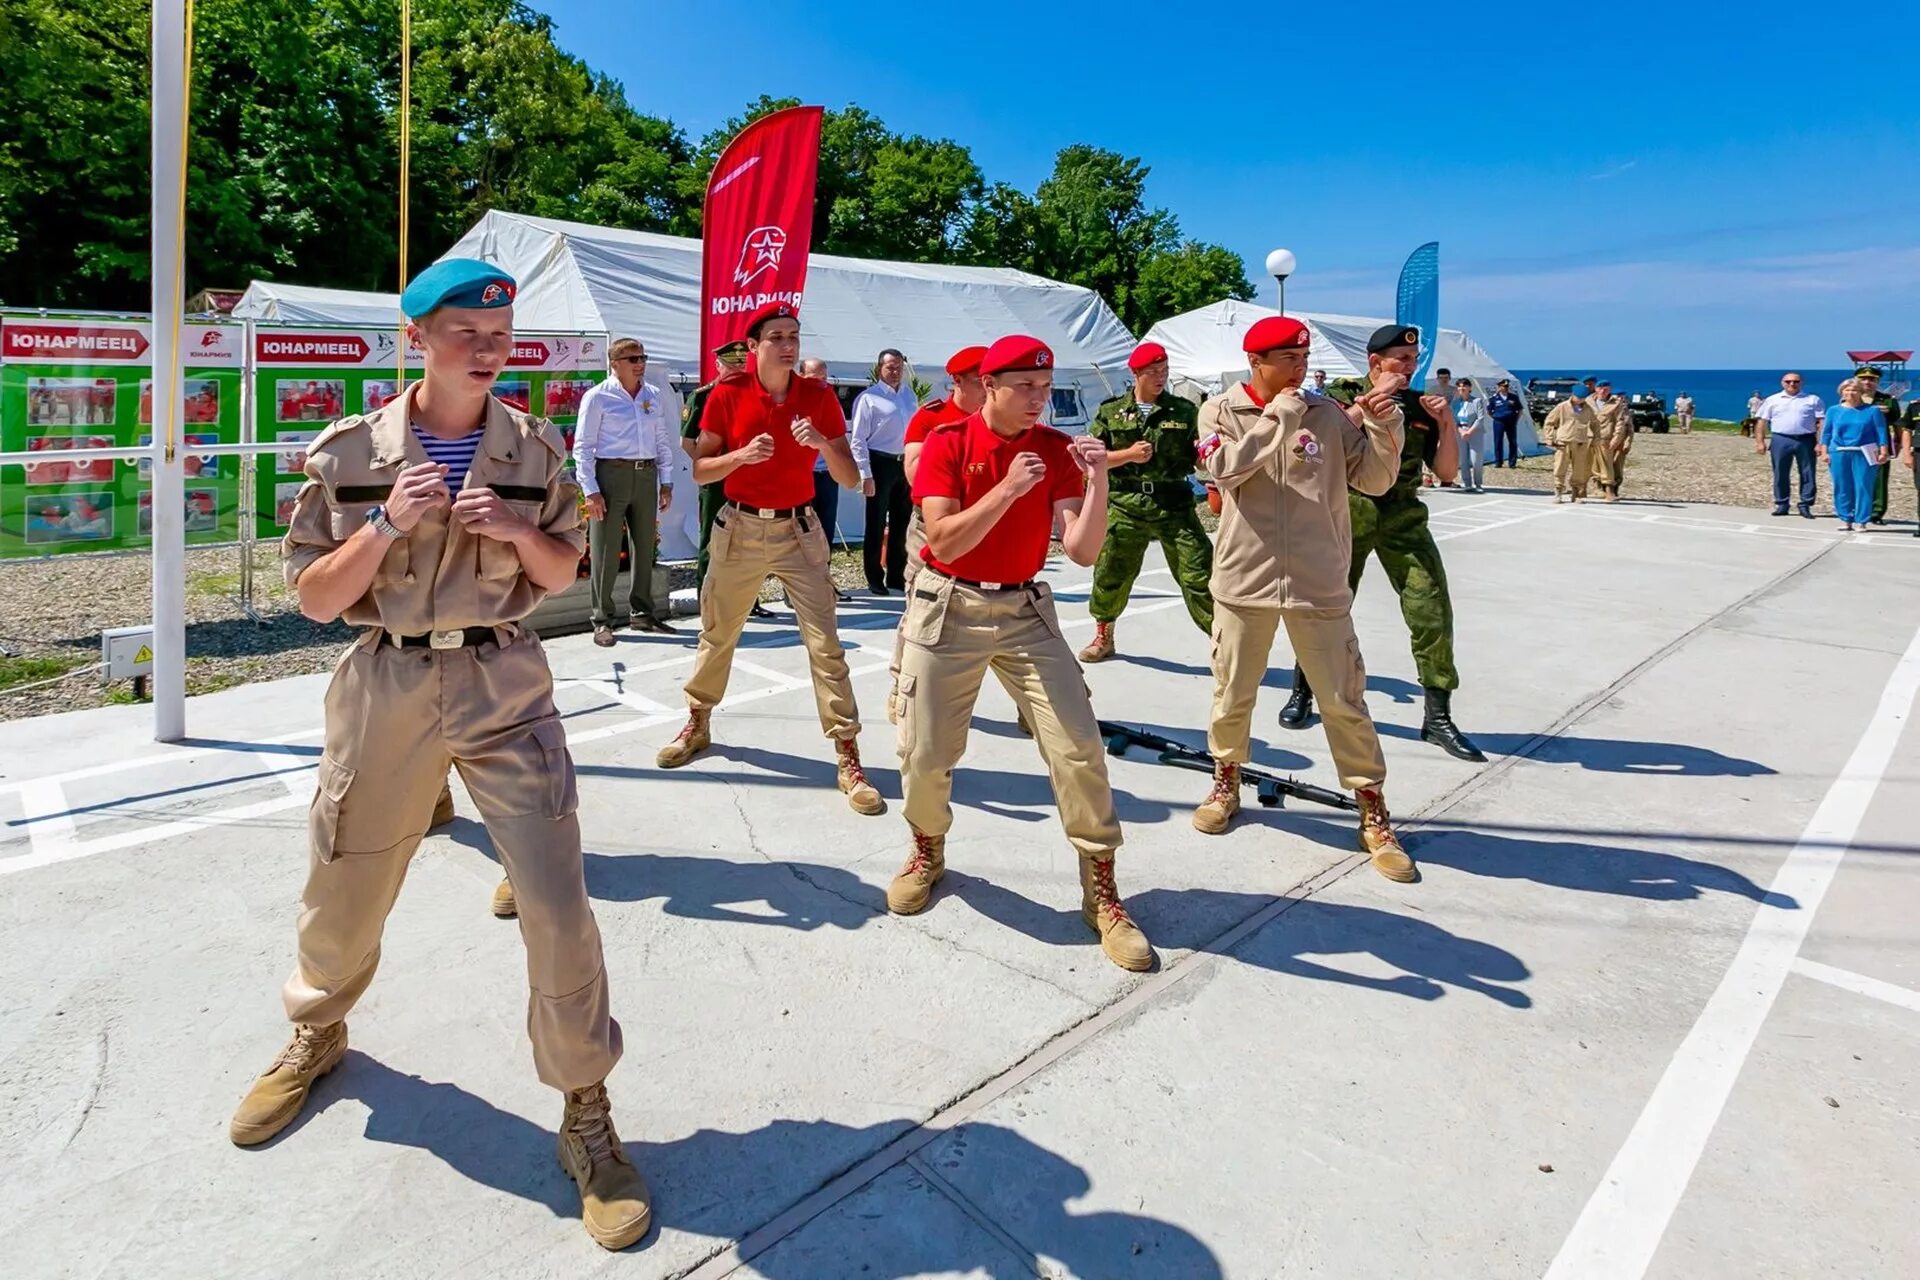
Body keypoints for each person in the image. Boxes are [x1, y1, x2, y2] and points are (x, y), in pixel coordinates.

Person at [231, 258, 649, 1250]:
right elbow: (318, 598)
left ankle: (586, 1108)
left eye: (499, 331)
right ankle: (318, 1028)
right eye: (464, 329)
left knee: (555, 899)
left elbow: (562, 569)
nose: (487, 346)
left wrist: (507, 522)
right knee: (346, 880)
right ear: (414, 338)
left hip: (505, 678)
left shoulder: (533, 449)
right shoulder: (348, 456)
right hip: (388, 683)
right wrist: (385, 524)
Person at [886, 334, 1153, 971]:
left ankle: (1102, 890)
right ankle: (928, 847)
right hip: (950, 604)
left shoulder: (1057, 449)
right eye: (1027, 387)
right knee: (924, 750)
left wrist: (1097, 482)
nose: (1041, 398)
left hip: (1025, 609)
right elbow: (944, 542)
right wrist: (1005, 490)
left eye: (1045, 385)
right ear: (991, 385)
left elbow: (1083, 551)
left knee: (1078, 745)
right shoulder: (949, 442)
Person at [1193, 316, 1417, 881]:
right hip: (1246, 579)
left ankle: (1372, 809)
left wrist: (1387, 430)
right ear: (1256, 363)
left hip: (1318, 580)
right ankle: (1226, 780)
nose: (1299, 369)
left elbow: (1373, 480)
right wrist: (1277, 420)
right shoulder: (1220, 411)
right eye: (1287, 360)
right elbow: (1220, 469)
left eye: (1303, 357)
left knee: (1344, 698)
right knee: (1233, 690)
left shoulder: (1325, 414)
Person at [660, 302, 883, 816]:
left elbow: (850, 479)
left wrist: (824, 444)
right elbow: (702, 472)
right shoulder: (728, 394)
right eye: (778, 336)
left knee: (826, 644)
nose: (788, 345)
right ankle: (698, 721)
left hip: (798, 529)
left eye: (794, 336)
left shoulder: (819, 396)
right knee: (717, 634)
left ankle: (847, 754)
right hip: (737, 527)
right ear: (755, 346)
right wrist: (739, 456)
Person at [1290, 325, 1485, 762]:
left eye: (1414, 362)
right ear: (1375, 362)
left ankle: (1437, 717)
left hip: (1402, 516)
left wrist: (1446, 422)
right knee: (1324, 608)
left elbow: (1448, 472)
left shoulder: (1421, 406)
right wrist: (1371, 400)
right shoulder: (1337, 396)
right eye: (1401, 360)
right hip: (1347, 511)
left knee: (1431, 607)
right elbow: (1318, 447)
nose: (1410, 368)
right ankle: (1304, 691)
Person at [1079, 340, 1214, 662]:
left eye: (1165, 370)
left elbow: (1199, 455)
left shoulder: (1184, 411)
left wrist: (1210, 456)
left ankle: (1222, 640)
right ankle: (1103, 635)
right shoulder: (1111, 412)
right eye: (1153, 371)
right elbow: (1090, 460)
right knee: (1112, 571)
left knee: (1198, 572)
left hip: (1174, 503)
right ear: (1135, 373)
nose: (1160, 377)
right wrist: (1128, 455)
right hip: (1127, 503)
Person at [573, 338, 677, 645]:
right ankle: (602, 619)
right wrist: (590, 490)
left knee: (644, 545)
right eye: (632, 359)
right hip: (611, 473)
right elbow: (583, 447)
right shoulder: (598, 397)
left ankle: (642, 613)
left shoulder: (652, 395)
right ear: (614, 363)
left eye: (642, 357)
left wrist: (667, 480)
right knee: (605, 548)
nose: (640, 364)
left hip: (646, 473)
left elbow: (661, 439)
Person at [682, 340, 773, 620]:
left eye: (740, 364)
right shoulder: (703, 396)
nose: (736, 369)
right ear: (718, 365)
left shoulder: (758, 393)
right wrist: (714, 464)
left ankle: (750, 600)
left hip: (750, 478)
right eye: (730, 364)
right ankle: (706, 601)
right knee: (713, 540)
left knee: (753, 540)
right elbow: (687, 442)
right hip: (717, 481)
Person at [849, 348, 920, 595]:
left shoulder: (909, 396)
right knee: (876, 523)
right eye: (890, 367)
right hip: (879, 463)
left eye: (899, 367)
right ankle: (874, 576)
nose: (895, 371)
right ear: (880, 368)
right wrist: (865, 474)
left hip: (904, 462)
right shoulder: (869, 398)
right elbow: (858, 439)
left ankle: (896, 575)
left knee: (902, 522)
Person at [798, 357, 847, 603]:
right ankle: (796, 590)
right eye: (814, 379)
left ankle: (824, 584)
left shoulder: (830, 402)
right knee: (801, 533)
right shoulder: (794, 401)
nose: (820, 384)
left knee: (825, 530)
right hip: (802, 476)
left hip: (826, 473)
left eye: (824, 379)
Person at [1819, 377, 1891, 532]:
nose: (1850, 393)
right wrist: (1824, 451)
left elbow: (1881, 432)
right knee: (1842, 486)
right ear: (1842, 392)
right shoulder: (1833, 410)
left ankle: (1862, 520)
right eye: (1847, 390)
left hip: (1864, 452)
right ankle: (1845, 518)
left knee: (1863, 485)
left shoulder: (1872, 411)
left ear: (1861, 392)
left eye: (1854, 390)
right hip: (1839, 452)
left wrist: (1883, 451)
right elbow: (1826, 433)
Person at [1753, 372, 1824, 518]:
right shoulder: (1773, 400)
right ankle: (1782, 504)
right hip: (1781, 439)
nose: (1792, 384)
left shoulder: (1812, 400)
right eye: (1788, 381)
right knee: (1780, 472)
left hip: (1806, 439)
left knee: (1808, 473)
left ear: (1801, 383)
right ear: (1782, 383)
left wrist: (1820, 443)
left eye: (1795, 381)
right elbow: (1762, 422)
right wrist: (1760, 442)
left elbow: (1821, 423)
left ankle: (1805, 504)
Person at [1856, 366, 1904, 525]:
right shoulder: (1850, 398)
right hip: (1854, 443)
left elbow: (1898, 422)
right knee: (1855, 477)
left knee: (1879, 479)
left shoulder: (1888, 400)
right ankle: (1857, 509)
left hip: (1879, 443)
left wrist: (1898, 442)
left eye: (1872, 379)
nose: (1867, 382)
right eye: (1863, 378)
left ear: (1877, 381)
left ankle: (1876, 512)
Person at [1543, 382, 1601, 502]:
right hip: (1563, 442)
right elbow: (1549, 422)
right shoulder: (1562, 407)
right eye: (1579, 398)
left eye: (1583, 398)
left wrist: (1596, 438)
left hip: (1581, 442)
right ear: (1573, 395)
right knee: (1560, 467)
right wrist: (1549, 438)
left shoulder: (1588, 409)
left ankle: (1577, 493)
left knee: (1579, 469)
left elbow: (1595, 424)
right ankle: (1558, 491)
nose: (1581, 400)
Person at [1588, 380, 1632, 502]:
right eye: (1600, 388)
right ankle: (1598, 489)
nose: (1603, 391)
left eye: (1606, 389)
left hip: (1606, 439)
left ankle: (1610, 490)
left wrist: (1617, 439)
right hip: (1590, 438)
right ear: (1596, 389)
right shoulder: (1588, 402)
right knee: (1594, 465)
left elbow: (1621, 424)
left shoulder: (1616, 404)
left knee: (1608, 465)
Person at [1452, 376, 1487, 492]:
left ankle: (1478, 484)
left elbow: (1480, 418)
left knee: (1475, 460)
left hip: (1475, 432)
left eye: (1464, 386)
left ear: (1469, 388)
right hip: (1461, 432)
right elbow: (1453, 419)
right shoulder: (1456, 403)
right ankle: (1467, 483)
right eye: (1459, 386)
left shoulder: (1477, 401)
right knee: (1463, 459)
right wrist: (1461, 431)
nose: (1462, 388)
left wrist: (1470, 431)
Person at [1487, 377, 1524, 469]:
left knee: (1512, 442)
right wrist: (1496, 417)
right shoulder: (1494, 398)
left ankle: (1512, 463)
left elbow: (1520, 409)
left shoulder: (1513, 397)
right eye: (1503, 386)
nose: (1505, 388)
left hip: (1511, 422)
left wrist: (1516, 420)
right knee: (1498, 441)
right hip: (1499, 422)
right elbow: (1489, 411)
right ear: (1499, 387)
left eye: (1507, 386)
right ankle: (1498, 462)